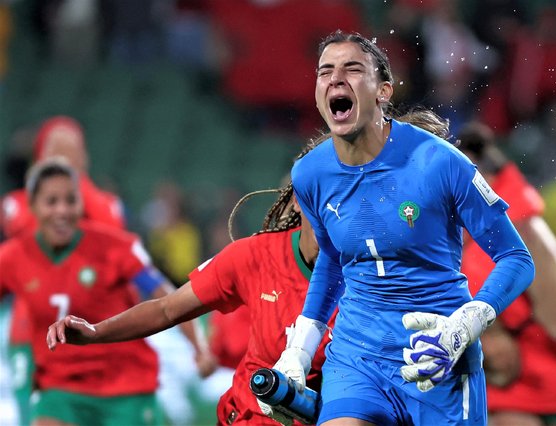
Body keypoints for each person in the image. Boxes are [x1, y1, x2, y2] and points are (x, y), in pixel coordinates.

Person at [267, 30, 535, 425]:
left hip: (437, 355)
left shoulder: (440, 163)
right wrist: (301, 348)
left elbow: (516, 258)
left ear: (383, 91)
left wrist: (467, 323)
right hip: (356, 359)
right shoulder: (310, 174)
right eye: (325, 71)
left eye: (352, 69)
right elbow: (333, 260)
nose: (335, 79)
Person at [46, 169, 336, 425]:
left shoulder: (373, 276)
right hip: (250, 418)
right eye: (325, 195)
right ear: (298, 200)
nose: (335, 210)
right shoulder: (255, 257)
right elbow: (166, 309)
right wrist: (96, 332)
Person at [0, 157, 214, 425]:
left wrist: (200, 348)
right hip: (60, 388)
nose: (62, 210)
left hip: (124, 387)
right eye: (51, 201)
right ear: (32, 206)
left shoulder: (116, 248)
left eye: (71, 200)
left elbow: (168, 299)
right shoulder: (12, 258)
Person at [457, 121, 556, 425]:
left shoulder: (517, 225)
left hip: (554, 374)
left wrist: (492, 336)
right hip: (514, 382)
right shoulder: (480, 222)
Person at [0, 115, 127, 426]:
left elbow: (111, 238)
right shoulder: (15, 204)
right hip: (32, 338)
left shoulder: (108, 203)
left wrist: (73, 181)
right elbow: (33, 234)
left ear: (84, 159)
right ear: (39, 159)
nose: (64, 159)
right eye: (56, 151)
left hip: (92, 338)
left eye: (72, 152)